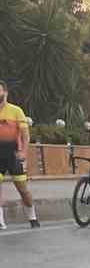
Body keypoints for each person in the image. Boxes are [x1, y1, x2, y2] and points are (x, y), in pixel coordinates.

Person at [0, 80, 40, 230]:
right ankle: (1, 221)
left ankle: (32, 217)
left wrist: (23, 152)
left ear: (5, 93)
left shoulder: (15, 111)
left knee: (22, 189)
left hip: (14, 154)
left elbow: (25, 135)